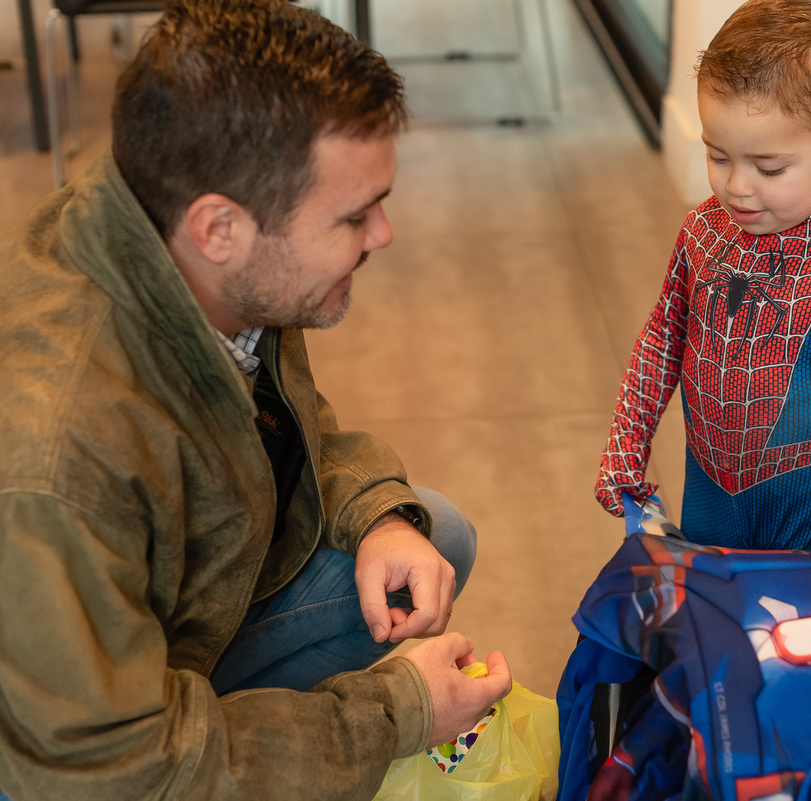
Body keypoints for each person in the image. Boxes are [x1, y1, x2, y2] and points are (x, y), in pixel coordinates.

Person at [0, 1, 510, 799]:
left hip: (159, 627)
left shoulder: (180, 238)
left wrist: (371, 509)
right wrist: (392, 712)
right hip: (61, 753)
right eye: (352, 215)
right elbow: (102, 767)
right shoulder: (57, 452)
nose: (383, 234)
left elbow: (276, 418)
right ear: (220, 228)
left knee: (427, 532)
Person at [595, 0, 811, 579]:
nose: (737, 187)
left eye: (769, 168)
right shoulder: (702, 231)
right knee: (711, 621)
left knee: (794, 646)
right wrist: (626, 442)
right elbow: (664, 338)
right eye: (718, 156)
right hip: (709, 495)